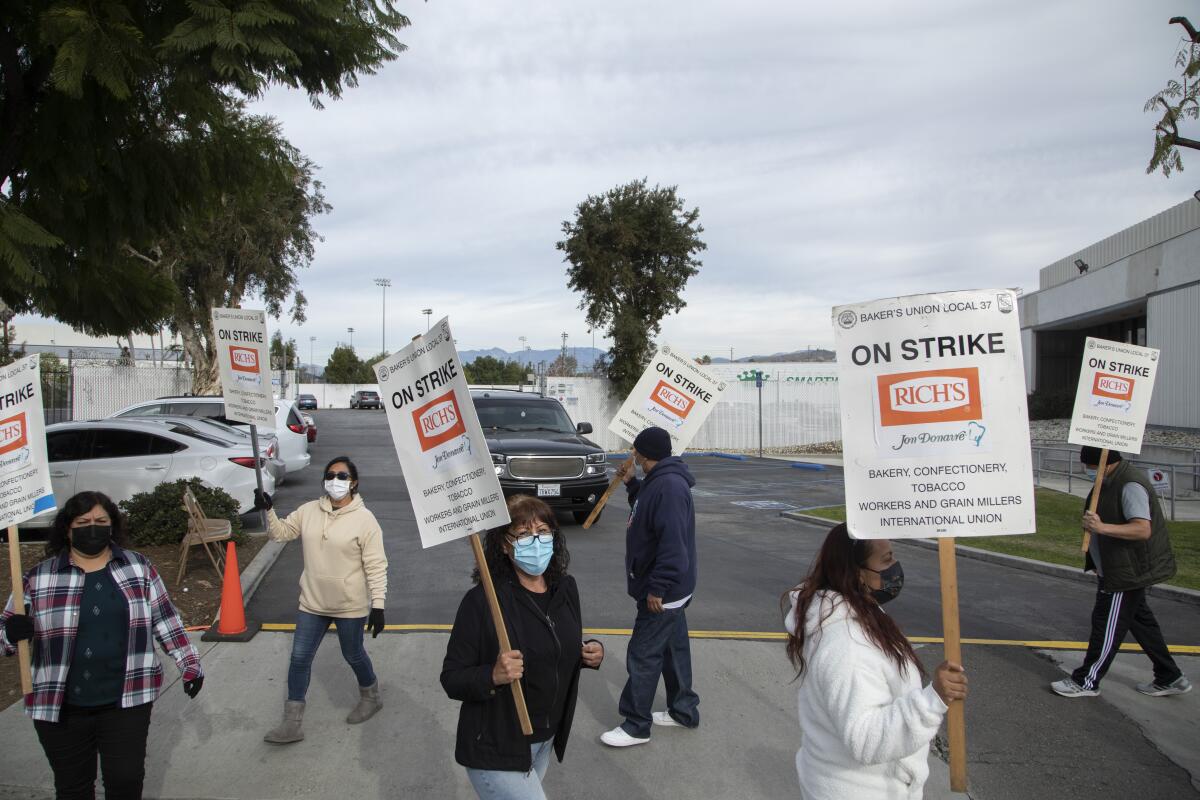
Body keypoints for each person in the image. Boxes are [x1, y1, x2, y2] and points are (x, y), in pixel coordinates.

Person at [0, 491, 204, 800]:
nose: (92, 527)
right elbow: (4, 636)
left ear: (113, 525)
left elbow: (165, 619)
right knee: (73, 789)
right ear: (67, 529)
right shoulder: (37, 579)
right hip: (60, 705)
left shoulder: (138, 568)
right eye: (83, 522)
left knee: (126, 782)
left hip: (127, 699)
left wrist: (189, 665)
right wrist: (10, 633)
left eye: (100, 521)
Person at [782, 523, 967, 800]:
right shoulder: (847, 646)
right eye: (887, 559)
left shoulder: (858, 611)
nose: (895, 567)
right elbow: (866, 739)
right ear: (858, 574)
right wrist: (933, 700)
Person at [441, 494, 604, 799]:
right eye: (524, 534)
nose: (536, 541)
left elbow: (554, 641)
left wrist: (587, 651)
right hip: (496, 745)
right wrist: (493, 675)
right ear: (505, 544)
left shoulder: (566, 589)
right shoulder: (482, 602)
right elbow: (451, 678)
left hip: (543, 739)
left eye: (543, 532)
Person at [254, 455, 389, 743]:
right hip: (312, 602)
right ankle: (292, 723)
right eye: (330, 475)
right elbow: (281, 534)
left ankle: (371, 695)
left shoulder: (365, 520)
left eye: (342, 476)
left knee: (353, 654)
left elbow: (376, 565)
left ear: (354, 482)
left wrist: (378, 605)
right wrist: (268, 510)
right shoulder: (308, 511)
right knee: (299, 658)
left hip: (349, 605)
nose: (335, 481)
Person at [1051, 446, 1191, 698]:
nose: (1088, 472)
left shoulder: (1129, 485)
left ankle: (1086, 681)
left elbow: (1141, 530)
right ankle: (1170, 676)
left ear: (1105, 464)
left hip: (1125, 572)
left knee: (1106, 625)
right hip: (1117, 568)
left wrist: (1101, 528)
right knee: (1142, 624)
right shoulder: (1112, 479)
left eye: (1091, 468)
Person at [601, 426, 700, 748]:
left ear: (644, 452)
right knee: (673, 649)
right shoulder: (660, 482)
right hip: (672, 588)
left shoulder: (669, 487)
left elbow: (673, 547)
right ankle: (683, 710)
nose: (633, 453)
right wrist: (631, 484)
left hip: (663, 592)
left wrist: (657, 588)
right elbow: (646, 509)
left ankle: (636, 725)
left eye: (636, 450)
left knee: (643, 655)